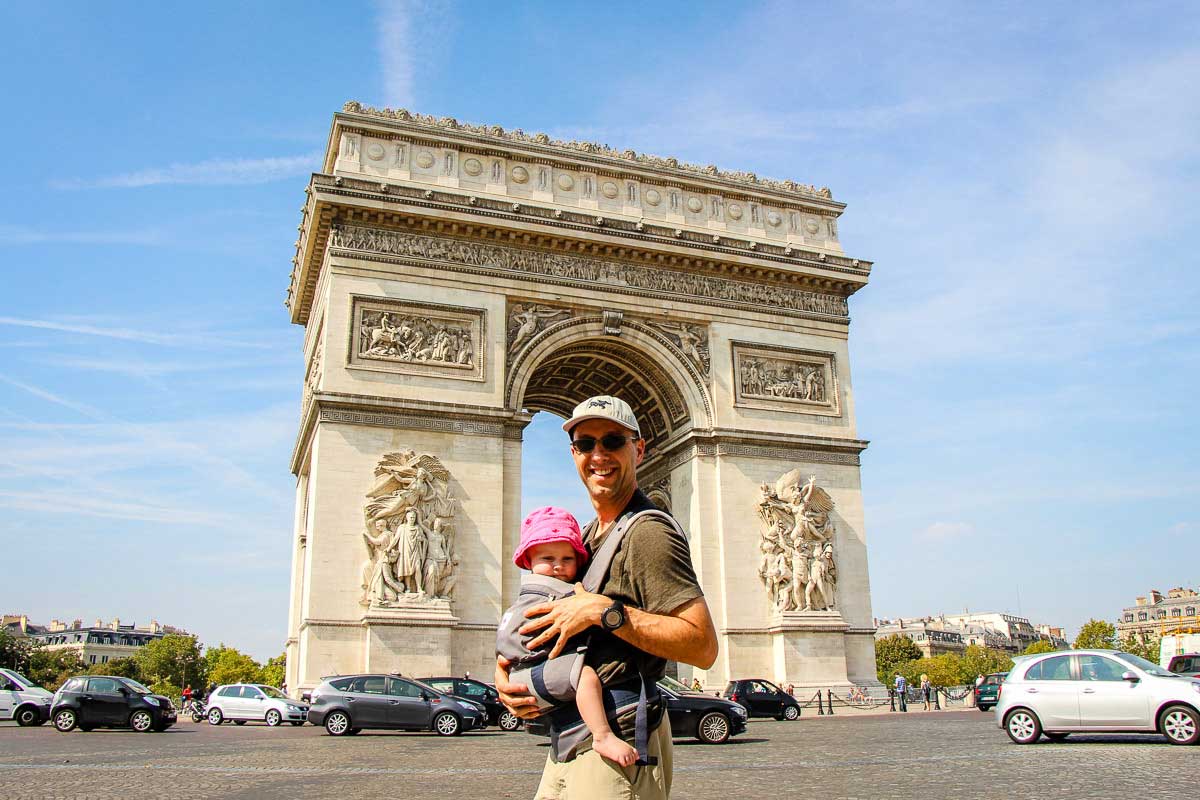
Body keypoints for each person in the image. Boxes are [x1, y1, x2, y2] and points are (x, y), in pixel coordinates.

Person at [496, 395, 718, 800]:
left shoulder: (650, 534)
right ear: (573, 453)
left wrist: (605, 612)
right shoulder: (579, 541)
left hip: (619, 735)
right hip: (569, 735)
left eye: (613, 441)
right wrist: (503, 675)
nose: (598, 454)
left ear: (639, 448)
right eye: (585, 444)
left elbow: (703, 647)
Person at [498, 506, 639, 766]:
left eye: (567, 560)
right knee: (585, 676)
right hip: (538, 672)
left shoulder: (528, 592)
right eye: (548, 559)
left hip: (534, 676)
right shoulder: (549, 592)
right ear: (529, 561)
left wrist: (504, 663)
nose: (557, 567)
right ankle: (602, 735)